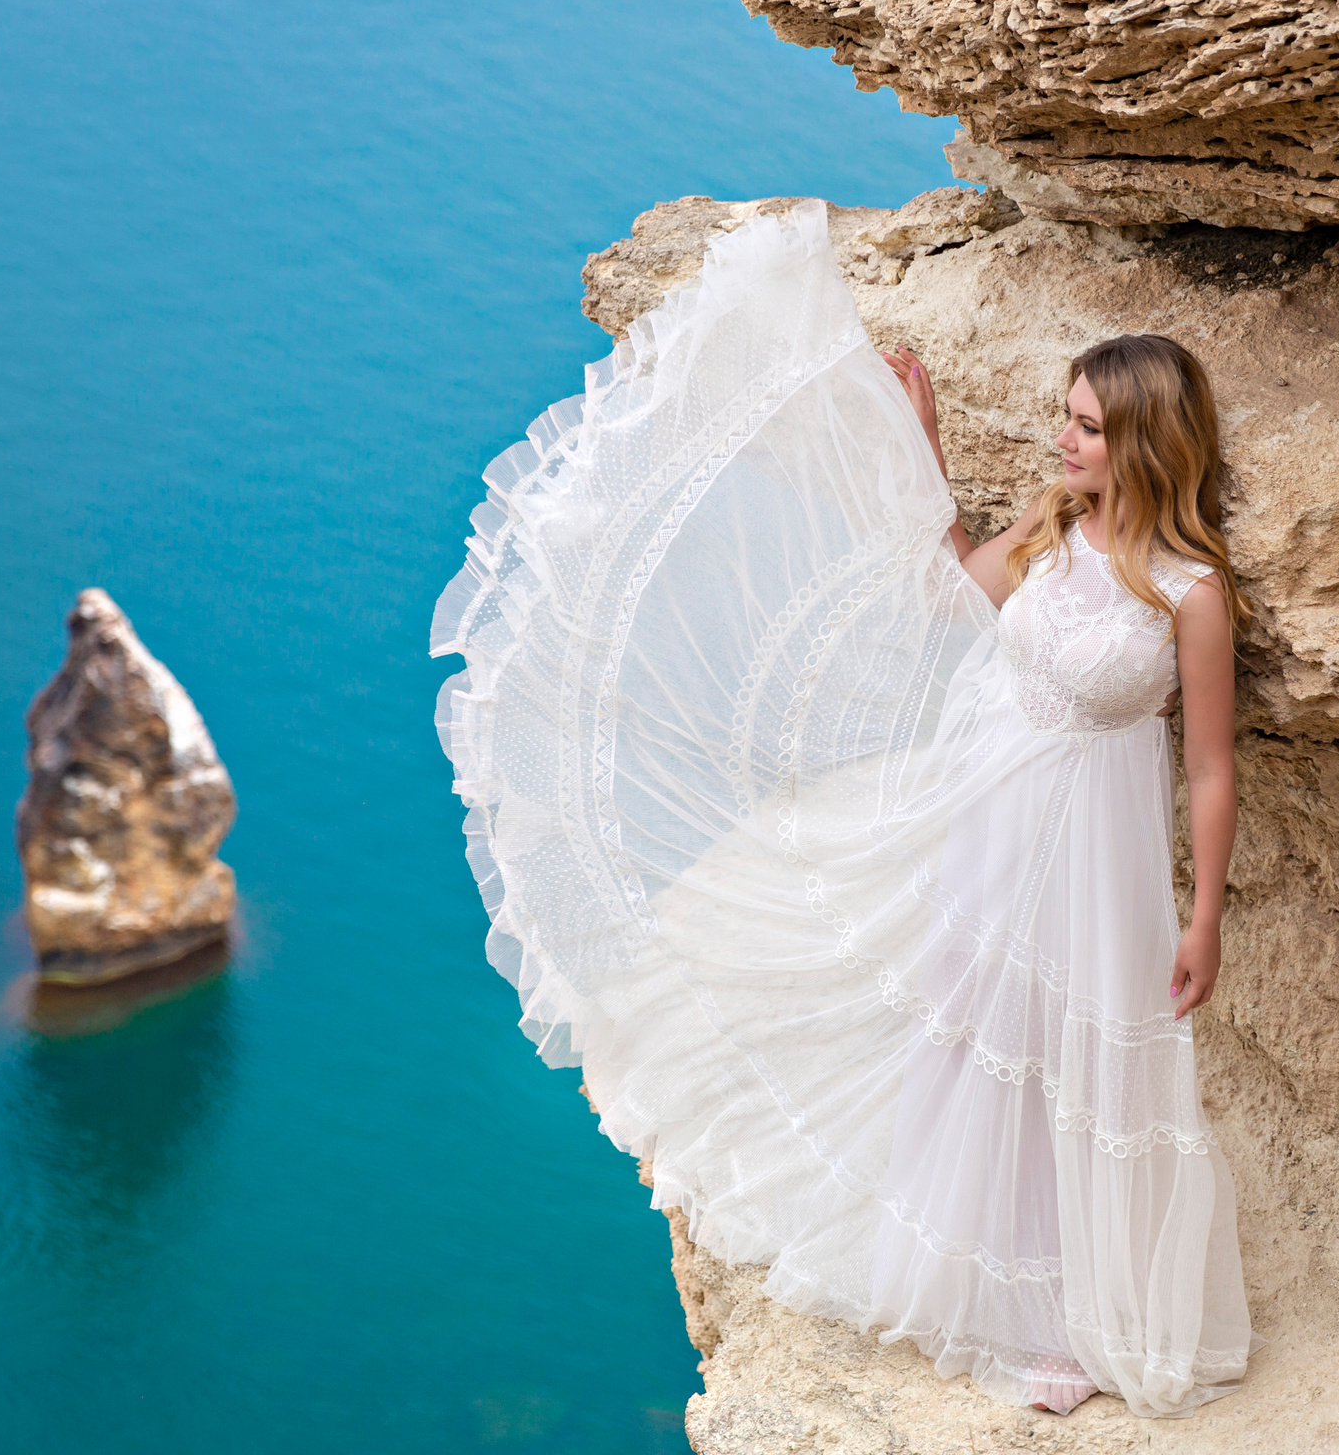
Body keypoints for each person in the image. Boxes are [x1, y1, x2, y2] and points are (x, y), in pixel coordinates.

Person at [432, 202, 1254, 1417]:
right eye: (1067, 420)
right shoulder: (1052, 524)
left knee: (1073, 1062)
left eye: (1085, 425)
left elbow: (1211, 768)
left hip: (1093, 844)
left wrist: (1205, 918)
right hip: (981, 811)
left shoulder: (1191, 592)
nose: (1064, 440)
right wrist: (914, 449)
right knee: (968, 1037)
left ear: (1141, 439)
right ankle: (979, 1278)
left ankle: (1078, 1315)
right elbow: (948, 596)